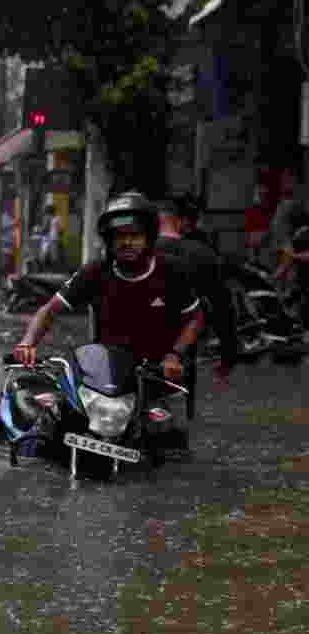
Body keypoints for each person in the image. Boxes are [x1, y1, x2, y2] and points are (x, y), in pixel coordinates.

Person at [13, 191, 207, 449]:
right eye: (120, 236)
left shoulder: (172, 272)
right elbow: (50, 310)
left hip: (154, 375)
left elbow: (195, 318)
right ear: (109, 240)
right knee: (55, 431)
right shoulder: (96, 271)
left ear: (148, 238)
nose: (127, 243)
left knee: (167, 447)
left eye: (134, 235)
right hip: (105, 374)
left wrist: (175, 355)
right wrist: (28, 342)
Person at [158, 195, 239, 386]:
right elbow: (222, 306)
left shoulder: (130, 252)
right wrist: (228, 355)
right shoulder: (202, 253)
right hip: (183, 333)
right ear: (180, 222)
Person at [39, 204, 63, 270]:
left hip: (53, 239)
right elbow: (44, 229)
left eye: (47, 212)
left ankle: (54, 270)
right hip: (46, 239)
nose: (46, 214)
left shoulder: (57, 218)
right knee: (43, 255)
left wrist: (58, 235)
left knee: (53, 256)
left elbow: (61, 230)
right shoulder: (47, 218)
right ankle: (44, 269)